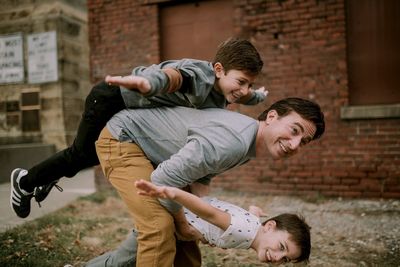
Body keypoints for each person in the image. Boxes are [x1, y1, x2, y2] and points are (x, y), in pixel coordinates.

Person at [10, 37, 266, 219]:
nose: (243, 90)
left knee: (87, 157)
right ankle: (25, 181)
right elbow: (174, 77)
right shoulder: (199, 74)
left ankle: (51, 174)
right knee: (82, 155)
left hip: (130, 114)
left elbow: (244, 95)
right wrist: (149, 83)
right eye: (241, 82)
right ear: (219, 69)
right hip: (110, 99)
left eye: (249, 85)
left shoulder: (226, 93)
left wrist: (256, 97)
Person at [92, 97, 325, 267]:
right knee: (159, 227)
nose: (294, 145)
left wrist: (203, 219)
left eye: (303, 141)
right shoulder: (233, 141)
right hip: (124, 139)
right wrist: (184, 221)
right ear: (272, 117)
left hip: (154, 156)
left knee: (186, 245)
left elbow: (203, 171)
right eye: (294, 130)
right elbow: (163, 180)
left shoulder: (248, 144)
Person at [84, 179, 311, 266]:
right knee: (124, 260)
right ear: (270, 227)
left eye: (286, 260)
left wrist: (254, 210)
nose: (278, 259)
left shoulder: (254, 227)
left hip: (178, 226)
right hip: (170, 224)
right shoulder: (245, 232)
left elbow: (244, 215)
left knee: (125, 259)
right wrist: (173, 194)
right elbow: (209, 212)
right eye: (282, 248)